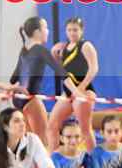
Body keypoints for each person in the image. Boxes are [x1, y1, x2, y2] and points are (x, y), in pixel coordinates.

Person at [9, 17, 84, 145]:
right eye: (46, 28)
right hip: (30, 100)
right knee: (43, 142)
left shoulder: (24, 50)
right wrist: (76, 92)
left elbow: (13, 78)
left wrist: (7, 90)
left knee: (28, 142)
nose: (48, 31)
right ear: (37, 32)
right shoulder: (40, 50)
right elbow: (61, 72)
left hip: (17, 99)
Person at [47, 17, 99, 153]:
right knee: (52, 125)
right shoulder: (63, 48)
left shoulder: (86, 45)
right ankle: (53, 159)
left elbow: (93, 69)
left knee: (85, 129)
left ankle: (94, 161)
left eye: (75, 30)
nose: (72, 33)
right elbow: (61, 71)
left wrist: (80, 88)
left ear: (82, 31)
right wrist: (55, 56)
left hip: (84, 91)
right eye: (69, 30)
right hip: (69, 92)